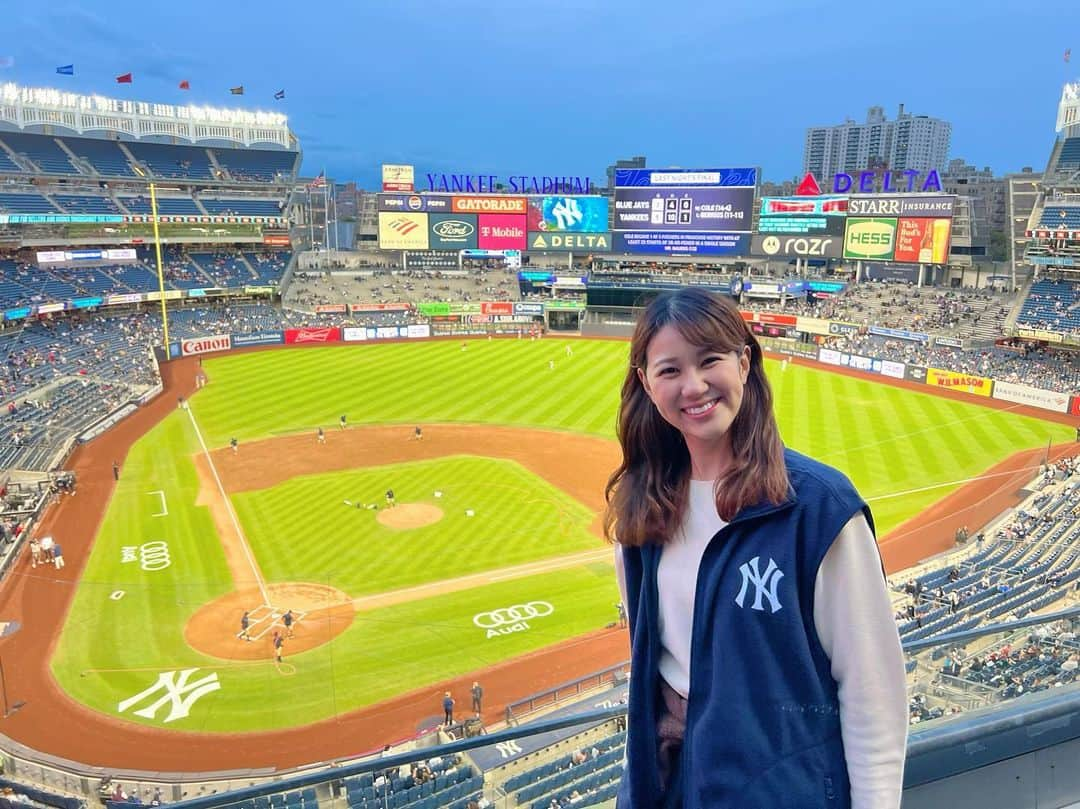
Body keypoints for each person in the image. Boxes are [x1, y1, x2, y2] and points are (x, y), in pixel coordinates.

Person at [605, 288, 907, 809]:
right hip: (672, 785)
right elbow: (653, 661)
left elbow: (872, 693)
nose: (694, 386)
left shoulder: (818, 508)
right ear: (645, 383)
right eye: (670, 369)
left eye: (710, 360)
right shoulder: (641, 506)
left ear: (744, 363)